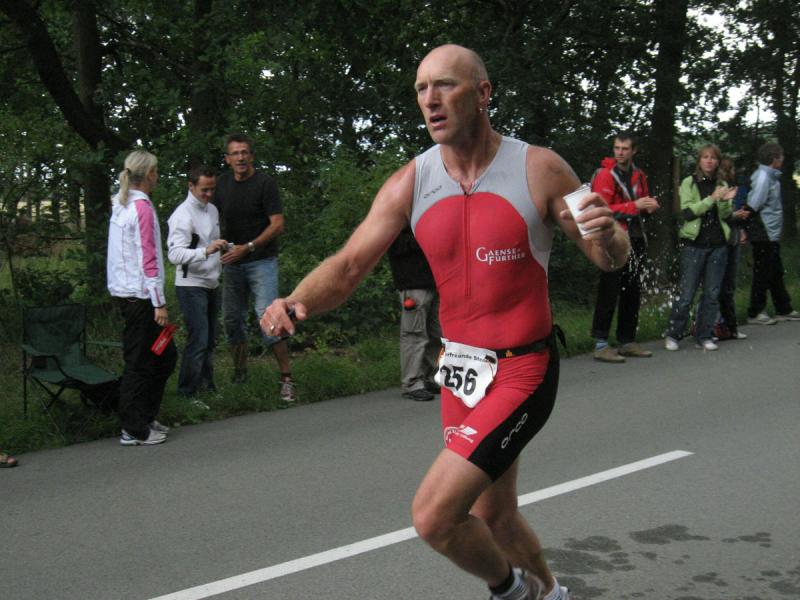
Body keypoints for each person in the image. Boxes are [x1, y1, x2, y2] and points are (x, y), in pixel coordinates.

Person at [262, 44, 629, 600]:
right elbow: (349, 265)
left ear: (482, 93)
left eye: (445, 85)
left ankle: (513, 592)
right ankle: (551, 594)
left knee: (434, 516)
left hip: (523, 370)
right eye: (421, 89)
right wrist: (296, 300)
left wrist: (611, 234)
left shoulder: (540, 168)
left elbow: (607, 257)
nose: (430, 100)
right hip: (462, 371)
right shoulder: (411, 182)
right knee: (494, 516)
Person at [213, 133, 296, 403]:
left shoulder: (264, 183)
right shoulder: (221, 185)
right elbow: (208, 218)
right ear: (227, 159)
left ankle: (286, 379)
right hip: (232, 264)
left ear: (252, 156)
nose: (240, 158)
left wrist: (248, 247)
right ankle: (240, 375)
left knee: (269, 317)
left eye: (244, 152)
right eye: (235, 153)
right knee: (231, 320)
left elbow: (278, 225)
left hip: (261, 261)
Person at [107, 150, 177, 445]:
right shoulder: (139, 208)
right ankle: (132, 428)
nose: (157, 176)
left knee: (164, 356)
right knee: (139, 362)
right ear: (149, 175)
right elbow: (148, 259)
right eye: (156, 172)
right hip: (140, 298)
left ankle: (145, 416)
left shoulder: (123, 204)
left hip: (131, 294)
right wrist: (159, 302)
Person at [590, 133, 660, 362]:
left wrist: (649, 207)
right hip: (612, 239)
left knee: (632, 290)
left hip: (636, 238)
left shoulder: (639, 175)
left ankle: (627, 341)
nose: (620, 152)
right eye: (617, 148)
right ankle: (601, 343)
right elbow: (602, 209)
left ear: (634, 151)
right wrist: (634, 206)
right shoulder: (605, 175)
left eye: (625, 148)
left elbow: (643, 204)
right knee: (609, 290)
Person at [664, 144, 736, 352]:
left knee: (712, 294)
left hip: (718, 244)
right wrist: (712, 199)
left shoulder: (722, 183)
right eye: (705, 157)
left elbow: (725, 215)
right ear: (699, 161)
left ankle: (704, 335)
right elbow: (688, 213)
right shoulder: (689, 182)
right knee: (687, 294)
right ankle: (673, 334)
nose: (709, 161)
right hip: (694, 245)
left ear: (718, 161)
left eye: (713, 158)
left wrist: (725, 202)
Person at [167, 166, 228, 399]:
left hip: (212, 281)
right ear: (191, 186)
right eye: (204, 190)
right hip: (190, 284)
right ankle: (186, 393)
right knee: (198, 339)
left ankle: (207, 387)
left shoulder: (212, 210)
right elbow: (175, 255)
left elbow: (211, 243)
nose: (209, 194)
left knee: (210, 339)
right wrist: (206, 251)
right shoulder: (181, 215)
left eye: (212, 189)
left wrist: (226, 247)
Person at [743, 142, 800, 324]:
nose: (783, 159)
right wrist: (746, 226)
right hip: (763, 230)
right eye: (781, 156)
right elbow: (754, 203)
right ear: (774, 158)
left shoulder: (771, 176)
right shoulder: (763, 177)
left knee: (775, 271)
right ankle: (755, 312)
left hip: (770, 231)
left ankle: (784, 308)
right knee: (763, 272)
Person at [387, 226, 442, 401]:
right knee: (414, 334)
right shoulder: (398, 218)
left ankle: (431, 377)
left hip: (434, 279)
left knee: (436, 334)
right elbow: (397, 245)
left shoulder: (425, 214)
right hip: (412, 282)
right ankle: (412, 383)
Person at [714, 157, 748, 340]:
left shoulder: (734, 187)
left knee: (727, 286)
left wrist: (740, 227)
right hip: (722, 240)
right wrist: (736, 216)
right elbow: (721, 215)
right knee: (720, 285)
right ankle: (718, 325)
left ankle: (729, 326)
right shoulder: (719, 188)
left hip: (732, 238)